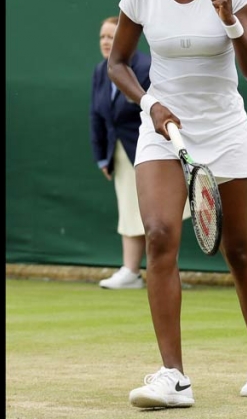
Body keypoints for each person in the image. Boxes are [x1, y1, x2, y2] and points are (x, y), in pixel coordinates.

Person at [107, 0, 247, 409]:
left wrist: (229, 21)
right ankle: (173, 376)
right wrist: (151, 102)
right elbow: (118, 64)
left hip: (223, 127)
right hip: (163, 127)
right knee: (160, 236)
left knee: (240, 250)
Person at [91, 16, 152, 289]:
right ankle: (131, 272)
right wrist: (102, 156)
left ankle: (154, 271)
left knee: (155, 216)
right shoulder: (99, 71)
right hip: (119, 154)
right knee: (130, 212)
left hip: (150, 152)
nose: (106, 42)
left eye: (111, 36)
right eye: (102, 37)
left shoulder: (146, 67)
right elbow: (98, 116)